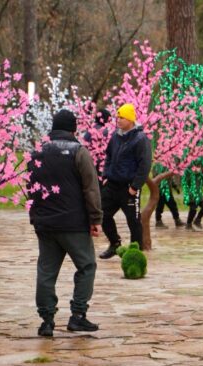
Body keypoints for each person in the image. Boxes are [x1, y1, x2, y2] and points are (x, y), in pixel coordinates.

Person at [28, 109, 103, 337]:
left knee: (46, 271)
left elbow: (30, 187)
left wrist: (36, 216)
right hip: (74, 224)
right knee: (87, 265)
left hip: (46, 224)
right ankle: (78, 315)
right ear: (73, 129)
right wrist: (95, 219)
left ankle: (47, 320)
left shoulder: (37, 152)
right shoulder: (79, 152)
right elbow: (91, 188)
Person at [98, 104, 152, 259]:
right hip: (112, 185)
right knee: (102, 214)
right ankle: (115, 243)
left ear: (130, 119)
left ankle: (135, 252)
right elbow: (108, 156)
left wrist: (135, 186)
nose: (118, 120)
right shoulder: (116, 136)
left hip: (129, 188)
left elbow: (145, 165)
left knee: (133, 222)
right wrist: (105, 175)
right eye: (117, 117)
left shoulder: (140, 139)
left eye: (122, 117)